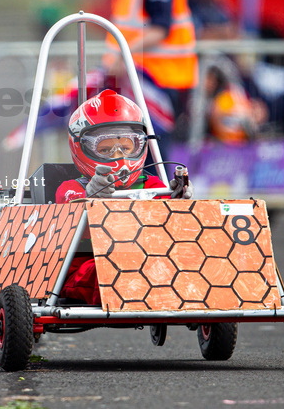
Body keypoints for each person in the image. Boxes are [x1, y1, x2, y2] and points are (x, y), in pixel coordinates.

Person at [53, 89, 192, 305]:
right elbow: (72, 214)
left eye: (127, 147)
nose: (119, 156)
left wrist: (179, 202)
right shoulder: (71, 188)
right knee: (114, 269)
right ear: (81, 148)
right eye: (107, 150)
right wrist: (93, 198)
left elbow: (170, 231)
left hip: (147, 264)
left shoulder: (153, 186)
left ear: (140, 145)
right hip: (88, 269)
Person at [102, 0, 198, 135]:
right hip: (146, 77)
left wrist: (122, 56)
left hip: (158, 80)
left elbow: (160, 28)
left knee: (154, 157)